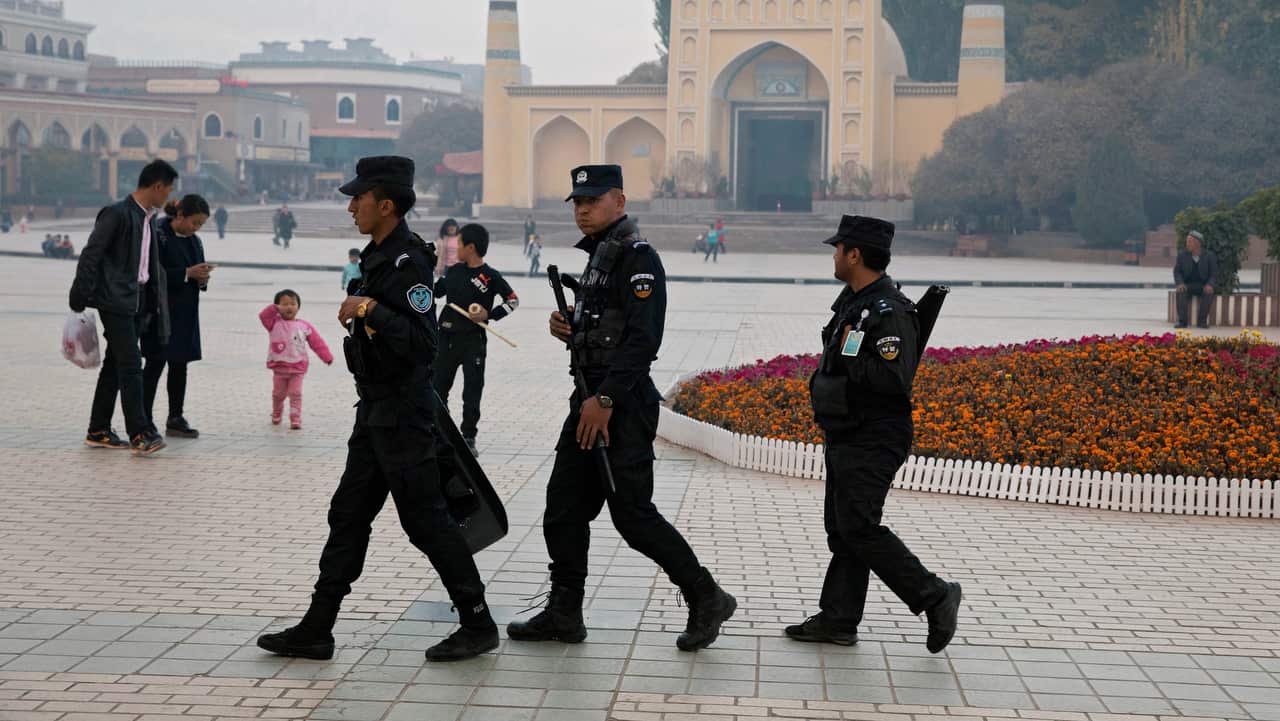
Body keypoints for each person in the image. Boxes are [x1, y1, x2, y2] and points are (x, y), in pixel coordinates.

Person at [257, 155, 499, 663]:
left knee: (427, 521)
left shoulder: (407, 262)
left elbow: (421, 342)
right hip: (375, 410)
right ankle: (317, 627)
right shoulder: (377, 256)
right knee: (347, 515)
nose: (350, 207)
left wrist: (370, 308)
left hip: (405, 413)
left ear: (384, 204)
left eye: (358, 198)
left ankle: (477, 622)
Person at [508, 164, 736, 651]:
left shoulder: (638, 260)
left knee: (633, 516)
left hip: (620, 405)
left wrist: (607, 400)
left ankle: (706, 596)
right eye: (577, 202)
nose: (583, 209)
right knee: (563, 509)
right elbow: (607, 327)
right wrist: (571, 325)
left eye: (592, 200)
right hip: (588, 400)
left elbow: (642, 340)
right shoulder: (599, 258)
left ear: (620, 201)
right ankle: (564, 613)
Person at [788, 214, 962, 653]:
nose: (834, 256)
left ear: (855, 254)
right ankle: (839, 618)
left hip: (874, 434)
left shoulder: (889, 311)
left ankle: (934, 595)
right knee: (843, 529)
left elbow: (892, 379)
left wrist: (851, 357)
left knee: (859, 527)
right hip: (847, 431)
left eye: (838, 249)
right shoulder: (855, 302)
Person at [68, 159, 178, 456]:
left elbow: (147, 265)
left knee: (117, 364)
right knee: (131, 363)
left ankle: (98, 429)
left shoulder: (148, 218)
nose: (168, 196)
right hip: (114, 299)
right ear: (156, 186)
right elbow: (91, 254)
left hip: (136, 299)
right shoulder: (117, 214)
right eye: (167, 190)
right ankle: (140, 432)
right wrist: (79, 294)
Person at [433, 224, 519, 456]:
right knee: (438, 386)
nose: (456, 248)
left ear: (470, 248)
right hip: (446, 338)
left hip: (474, 341)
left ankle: (468, 436)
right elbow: (434, 292)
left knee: (472, 390)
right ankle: (440, 431)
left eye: (459, 244)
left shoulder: (490, 277)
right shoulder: (454, 272)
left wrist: (488, 315)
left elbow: (513, 301)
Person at [142, 195, 213, 439]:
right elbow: (151, 272)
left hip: (185, 312)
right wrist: (185, 273)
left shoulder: (195, 241)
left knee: (179, 364)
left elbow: (196, 273)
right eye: (194, 222)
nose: (196, 229)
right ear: (180, 215)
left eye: (200, 225)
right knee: (154, 364)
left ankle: (175, 416)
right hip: (160, 312)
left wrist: (202, 278)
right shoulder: (158, 234)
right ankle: (143, 419)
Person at [258, 290, 333, 429]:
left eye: (293, 304)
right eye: (284, 304)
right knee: (278, 394)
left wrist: (326, 356)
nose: (289, 307)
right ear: (277, 307)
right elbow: (263, 316)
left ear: (298, 306)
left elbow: (317, 342)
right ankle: (276, 413)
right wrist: (274, 308)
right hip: (279, 365)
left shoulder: (304, 326)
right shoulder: (273, 323)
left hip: (298, 366)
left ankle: (295, 418)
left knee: (295, 393)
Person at [1174, 230, 1218, 329]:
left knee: (1209, 293)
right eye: (1187, 241)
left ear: (1197, 243)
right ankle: (1182, 321)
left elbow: (1214, 273)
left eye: (1190, 241)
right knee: (1180, 291)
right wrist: (1180, 283)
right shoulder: (1182, 255)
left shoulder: (1209, 256)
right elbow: (1177, 272)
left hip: (1203, 285)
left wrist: (1210, 284)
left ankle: (1202, 322)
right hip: (1187, 284)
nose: (1187, 244)